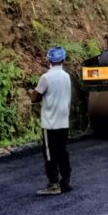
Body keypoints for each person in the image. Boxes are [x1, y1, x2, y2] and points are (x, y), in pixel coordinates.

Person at [32, 46, 73, 195]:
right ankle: (66, 180)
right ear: (63, 59)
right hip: (63, 121)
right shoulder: (66, 76)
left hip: (50, 123)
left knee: (49, 154)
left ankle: (53, 183)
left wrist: (34, 93)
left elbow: (35, 97)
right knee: (62, 152)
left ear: (49, 59)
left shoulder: (46, 77)